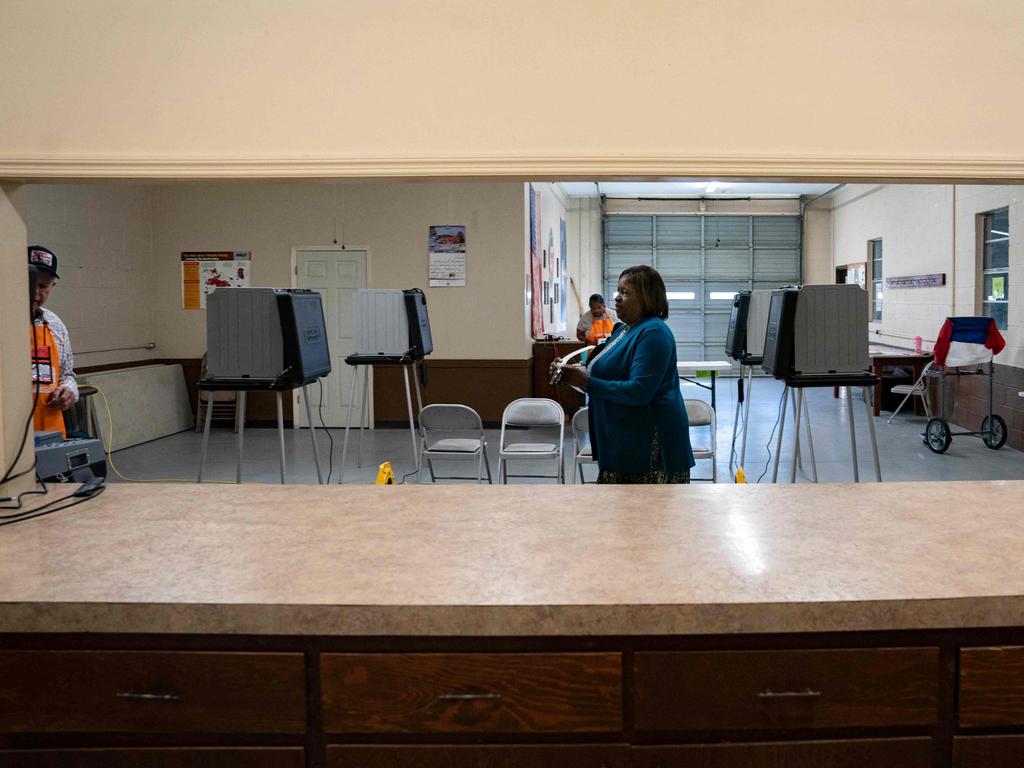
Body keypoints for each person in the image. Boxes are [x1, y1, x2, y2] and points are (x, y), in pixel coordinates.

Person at [554, 266, 694, 483]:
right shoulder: (623, 330)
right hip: (622, 440)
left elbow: (639, 391)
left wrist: (588, 383)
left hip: (650, 447)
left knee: (644, 514)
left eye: (626, 293)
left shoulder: (653, 333)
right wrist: (572, 374)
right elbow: (603, 374)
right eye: (618, 292)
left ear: (646, 297)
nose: (617, 299)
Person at [29, 245, 78, 436]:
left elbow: (68, 375)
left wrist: (68, 392)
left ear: (52, 287)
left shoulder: (55, 324)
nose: (35, 293)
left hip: (49, 430)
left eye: (43, 286)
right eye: (30, 283)